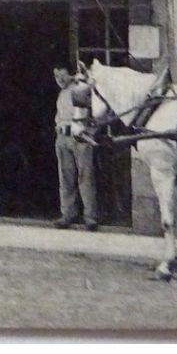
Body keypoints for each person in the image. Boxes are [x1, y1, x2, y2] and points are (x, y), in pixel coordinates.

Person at [53, 65, 98, 230]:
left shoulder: (81, 90)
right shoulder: (62, 93)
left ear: (71, 75)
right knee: (66, 176)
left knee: (85, 176)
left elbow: (93, 115)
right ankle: (68, 213)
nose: (59, 79)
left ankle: (90, 216)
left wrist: (89, 132)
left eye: (63, 75)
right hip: (62, 138)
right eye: (57, 76)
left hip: (80, 138)